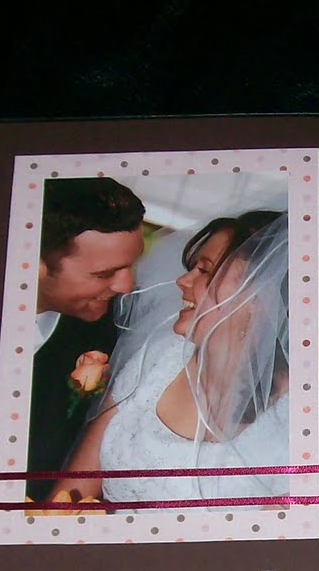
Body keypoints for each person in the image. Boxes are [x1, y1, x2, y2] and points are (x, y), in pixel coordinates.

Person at [53, 212, 289, 506]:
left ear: (258, 294)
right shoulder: (157, 358)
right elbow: (69, 497)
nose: (182, 280)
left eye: (205, 270)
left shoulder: (298, 417)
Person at [26, 178, 145, 500]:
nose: (125, 286)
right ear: (34, 265)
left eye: (131, 266)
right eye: (105, 274)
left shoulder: (115, 329)